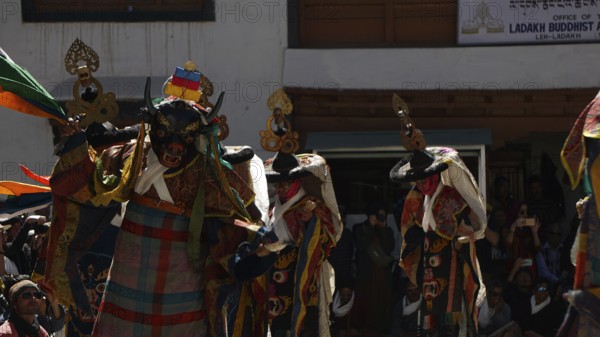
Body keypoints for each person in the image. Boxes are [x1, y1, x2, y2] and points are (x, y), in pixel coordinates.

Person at [47, 61, 271, 337]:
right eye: (166, 133)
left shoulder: (210, 172)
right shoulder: (132, 155)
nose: (175, 145)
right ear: (153, 127)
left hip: (183, 276)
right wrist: (76, 145)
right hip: (129, 269)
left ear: (198, 136)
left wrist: (257, 249)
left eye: (185, 137)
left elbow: (237, 221)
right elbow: (90, 187)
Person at [390, 95, 487, 336]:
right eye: (417, 180)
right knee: (429, 316)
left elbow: (471, 224)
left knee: (451, 317)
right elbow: (408, 230)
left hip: (452, 258)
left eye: (425, 178)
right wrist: (414, 242)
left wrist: (464, 234)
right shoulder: (414, 199)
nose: (421, 184)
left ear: (435, 174)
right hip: (428, 263)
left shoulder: (453, 196)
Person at [260, 88, 342, 337]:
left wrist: (311, 224)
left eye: (287, 182)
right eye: (278, 183)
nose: (282, 187)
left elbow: (329, 237)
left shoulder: (312, 206)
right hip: (273, 280)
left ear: (299, 181)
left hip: (301, 279)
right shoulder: (273, 208)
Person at [352, 201, 395, 337]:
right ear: (371, 215)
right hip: (366, 275)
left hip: (381, 275)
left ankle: (381, 328)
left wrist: (382, 228)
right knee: (366, 303)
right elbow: (361, 246)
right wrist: (370, 226)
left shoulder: (386, 229)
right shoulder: (359, 228)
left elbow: (389, 248)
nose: (382, 218)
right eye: (379, 216)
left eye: (384, 216)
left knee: (382, 302)